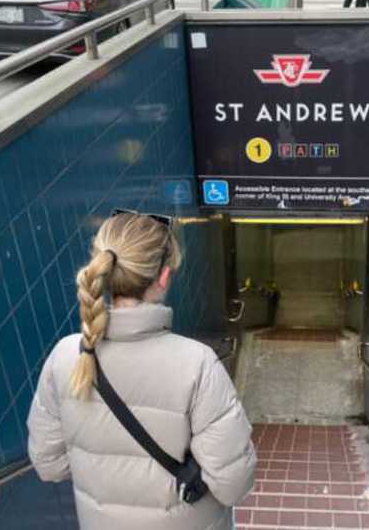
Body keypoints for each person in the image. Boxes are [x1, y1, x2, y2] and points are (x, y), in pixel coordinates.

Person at [26, 210, 257, 530]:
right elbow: (233, 484)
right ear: (164, 276)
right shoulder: (197, 364)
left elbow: (49, 464)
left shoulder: (66, 356)